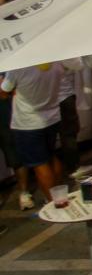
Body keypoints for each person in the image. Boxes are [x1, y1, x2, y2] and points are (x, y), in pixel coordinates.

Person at [0, 62, 69, 206]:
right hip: (52, 117)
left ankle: (53, 202)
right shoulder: (55, 62)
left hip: (28, 123)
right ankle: (59, 196)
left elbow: (3, 93)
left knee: (40, 163)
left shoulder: (19, 67)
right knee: (51, 156)